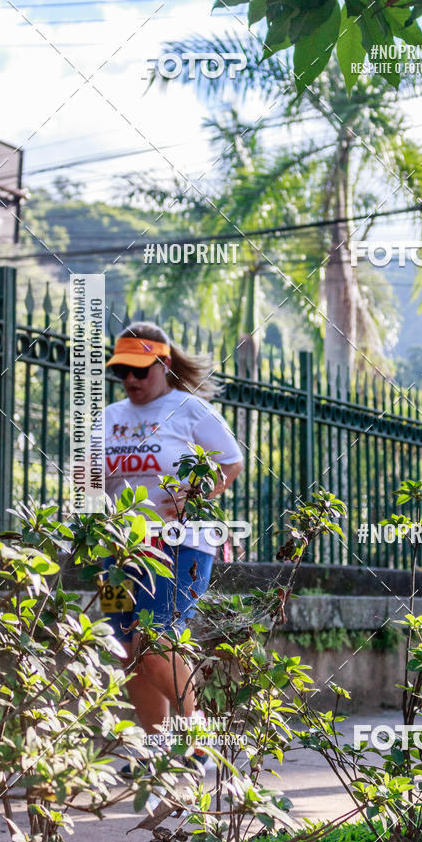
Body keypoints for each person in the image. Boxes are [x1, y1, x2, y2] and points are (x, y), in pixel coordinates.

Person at [102, 321, 244, 774]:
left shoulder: (189, 409)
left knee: (153, 635)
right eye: (122, 371)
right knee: (124, 647)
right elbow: (90, 482)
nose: (131, 380)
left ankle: (197, 737)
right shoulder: (108, 418)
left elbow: (231, 462)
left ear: (162, 364)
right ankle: (155, 748)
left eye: (140, 371)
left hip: (181, 543)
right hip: (119, 549)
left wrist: (196, 493)